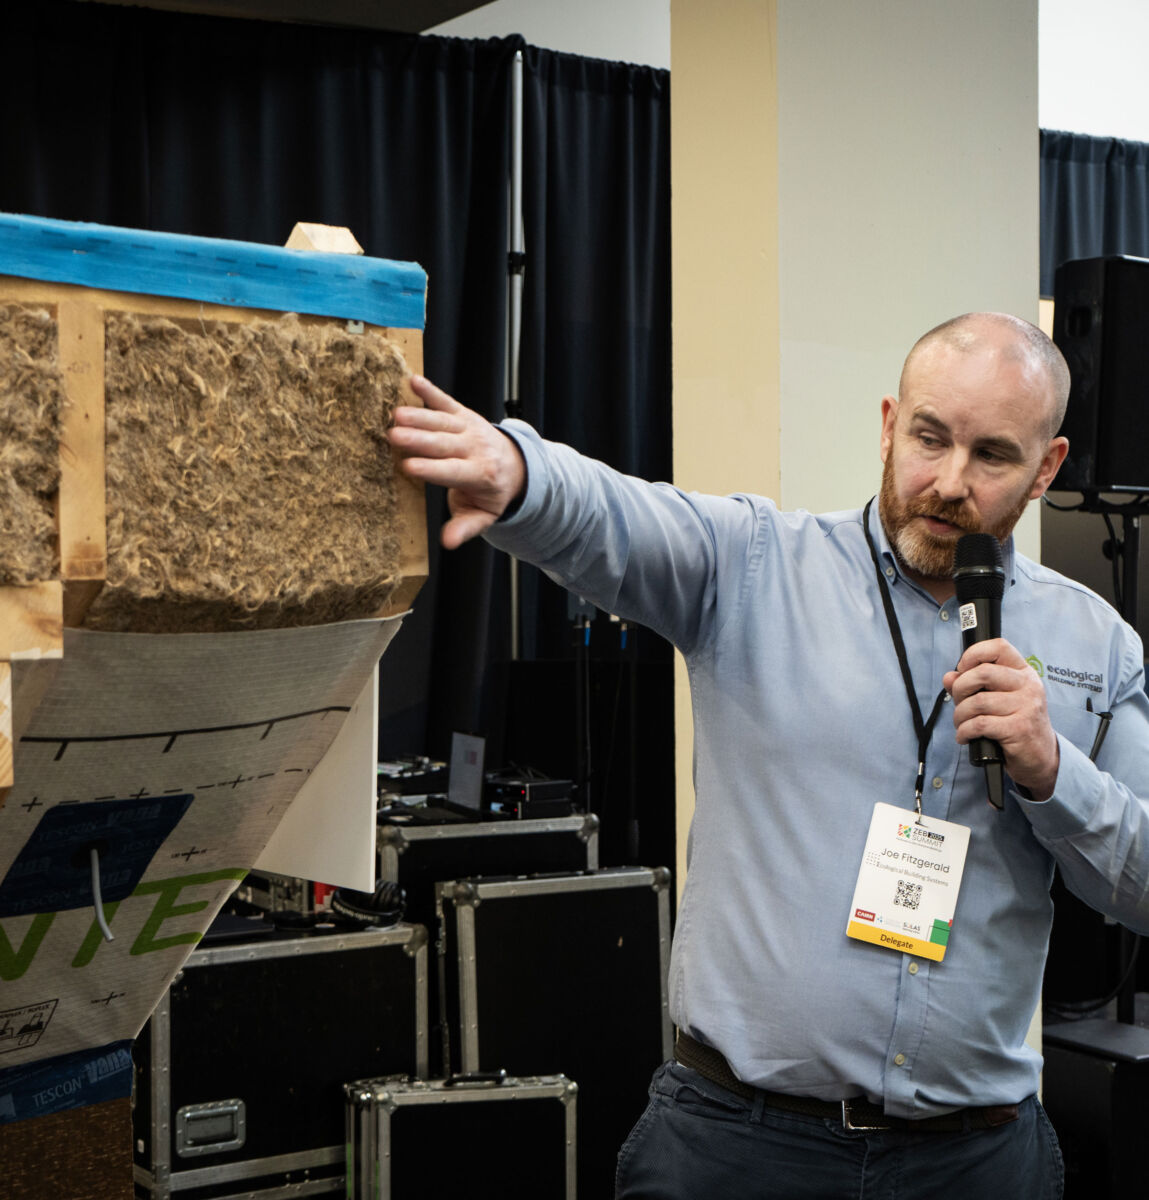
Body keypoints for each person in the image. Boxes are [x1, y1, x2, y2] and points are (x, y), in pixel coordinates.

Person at [386, 312, 1149, 1199]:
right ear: (887, 422)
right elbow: (622, 517)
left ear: (1046, 468)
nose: (947, 482)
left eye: (991, 457)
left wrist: (1053, 771)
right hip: (737, 1147)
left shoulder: (1094, 645)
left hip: (974, 1159)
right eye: (929, 438)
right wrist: (520, 475)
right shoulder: (754, 566)